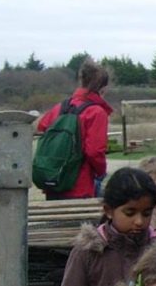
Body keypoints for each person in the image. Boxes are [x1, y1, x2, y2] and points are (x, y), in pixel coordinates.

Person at [35, 59, 113, 200]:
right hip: (79, 186)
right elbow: (94, 151)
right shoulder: (96, 112)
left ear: (81, 80)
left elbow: (42, 128)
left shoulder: (61, 107)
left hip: (54, 181)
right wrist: (101, 172)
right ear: (103, 87)